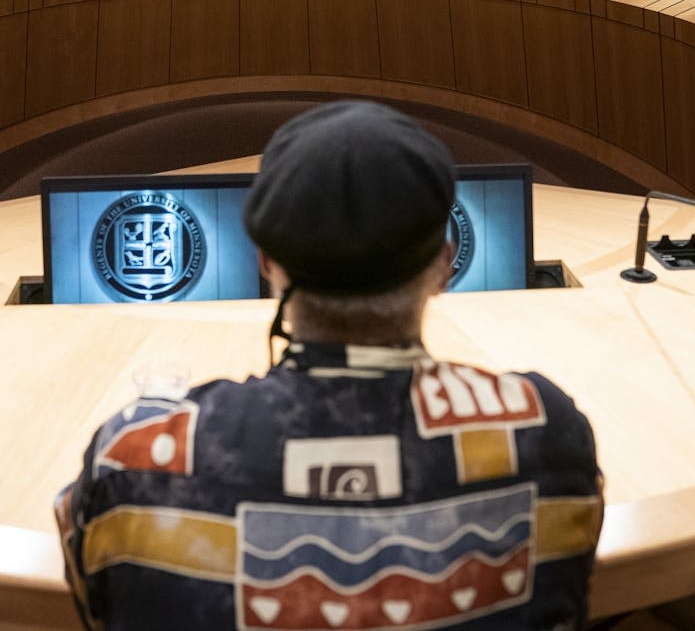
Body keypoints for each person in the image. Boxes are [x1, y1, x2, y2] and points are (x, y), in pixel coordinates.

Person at [56, 100, 603, 630]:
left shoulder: (135, 459)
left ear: (268, 262)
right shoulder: (547, 431)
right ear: (443, 265)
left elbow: (93, 596)